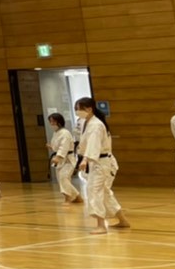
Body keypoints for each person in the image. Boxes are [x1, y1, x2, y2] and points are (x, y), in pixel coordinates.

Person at [76, 98, 129, 235]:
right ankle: (123, 220)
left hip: (101, 162)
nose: (77, 112)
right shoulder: (85, 122)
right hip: (96, 162)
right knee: (104, 192)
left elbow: (94, 145)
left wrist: (85, 159)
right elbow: (84, 143)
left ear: (89, 109)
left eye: (79, 109)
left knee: (94, 191)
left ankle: (101, 225)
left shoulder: (96, 125)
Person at [47, 113, 81, 204]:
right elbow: (57, 146)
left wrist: (58, 157)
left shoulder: (65, 133)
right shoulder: (56, 133)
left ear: (59, 121)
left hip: (68, 160)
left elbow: (64, 147)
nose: (52, 123)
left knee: (64, 177)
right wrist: (52, 147)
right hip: (59, 160)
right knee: (61, 179)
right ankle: (77, 197)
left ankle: (68, 198)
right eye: (50, 121)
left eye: (53, 121)